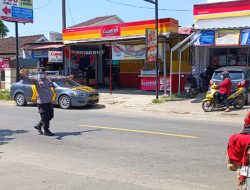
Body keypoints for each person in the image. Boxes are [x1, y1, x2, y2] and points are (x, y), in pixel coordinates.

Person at [20, 67, 73, 136]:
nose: (41, 74)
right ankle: (46, 130)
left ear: (45, 73)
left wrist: (66, 78)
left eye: (42, 73)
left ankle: (39, 125)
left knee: (51, 115)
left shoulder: (48, 79)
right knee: (45, 117)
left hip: (48, 101)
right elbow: (28, 79)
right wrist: (22, 74)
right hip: (42, 102)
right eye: (39, 73)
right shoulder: (36, 80)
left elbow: (57, 78)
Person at [227, 112, 250, 189]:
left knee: (241, 185)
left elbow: (229, 160)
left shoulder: (233, 138)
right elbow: (246, 159)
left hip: (240, 169)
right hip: (245, 169)